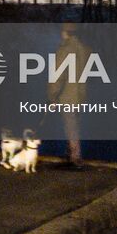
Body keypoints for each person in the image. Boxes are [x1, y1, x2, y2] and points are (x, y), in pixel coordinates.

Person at [48, 22, 89, 166]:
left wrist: (52, 96)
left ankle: (75, 158)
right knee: (74, 125)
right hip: (81, 94)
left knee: (70, 126)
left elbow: (58, 75)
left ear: (65, 32)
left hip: (67, 95)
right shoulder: (84, 49)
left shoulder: (65, 49)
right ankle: (71, 155)